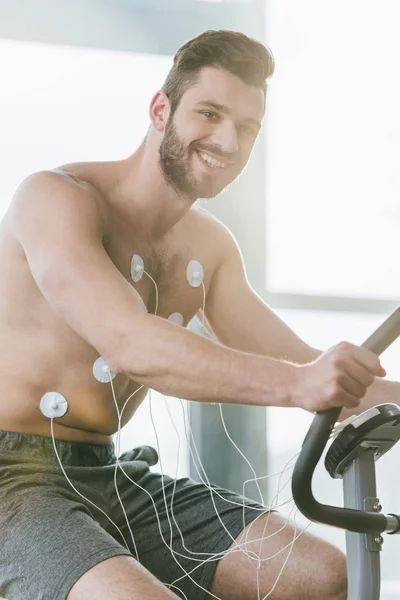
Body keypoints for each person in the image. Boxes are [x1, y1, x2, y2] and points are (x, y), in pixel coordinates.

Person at [0, 29, 397, 600]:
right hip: (15, 479)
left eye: (247, 128)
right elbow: (130, 342)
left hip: (109, 475)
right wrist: (300, 384)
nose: (227, 140)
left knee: (324, 576)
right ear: (161, 109)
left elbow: (320, 375)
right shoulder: (54, 199)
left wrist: (344, 385)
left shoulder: (210, 247)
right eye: (209, 113)